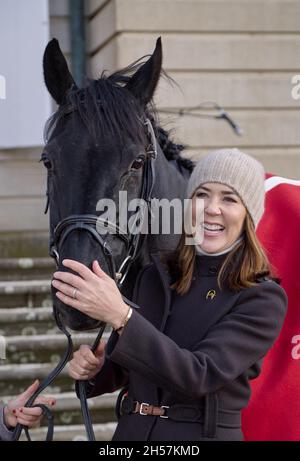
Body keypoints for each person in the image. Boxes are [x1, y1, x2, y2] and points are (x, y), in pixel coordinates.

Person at [53, 148, 288, 441]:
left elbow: (199, 375)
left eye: (229, 199)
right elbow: (136, 368)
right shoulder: (155, 276)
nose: (211, 208)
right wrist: (98, 370)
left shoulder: (262, 298)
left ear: (248, 216)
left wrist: (121, 316)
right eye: (202, 195)